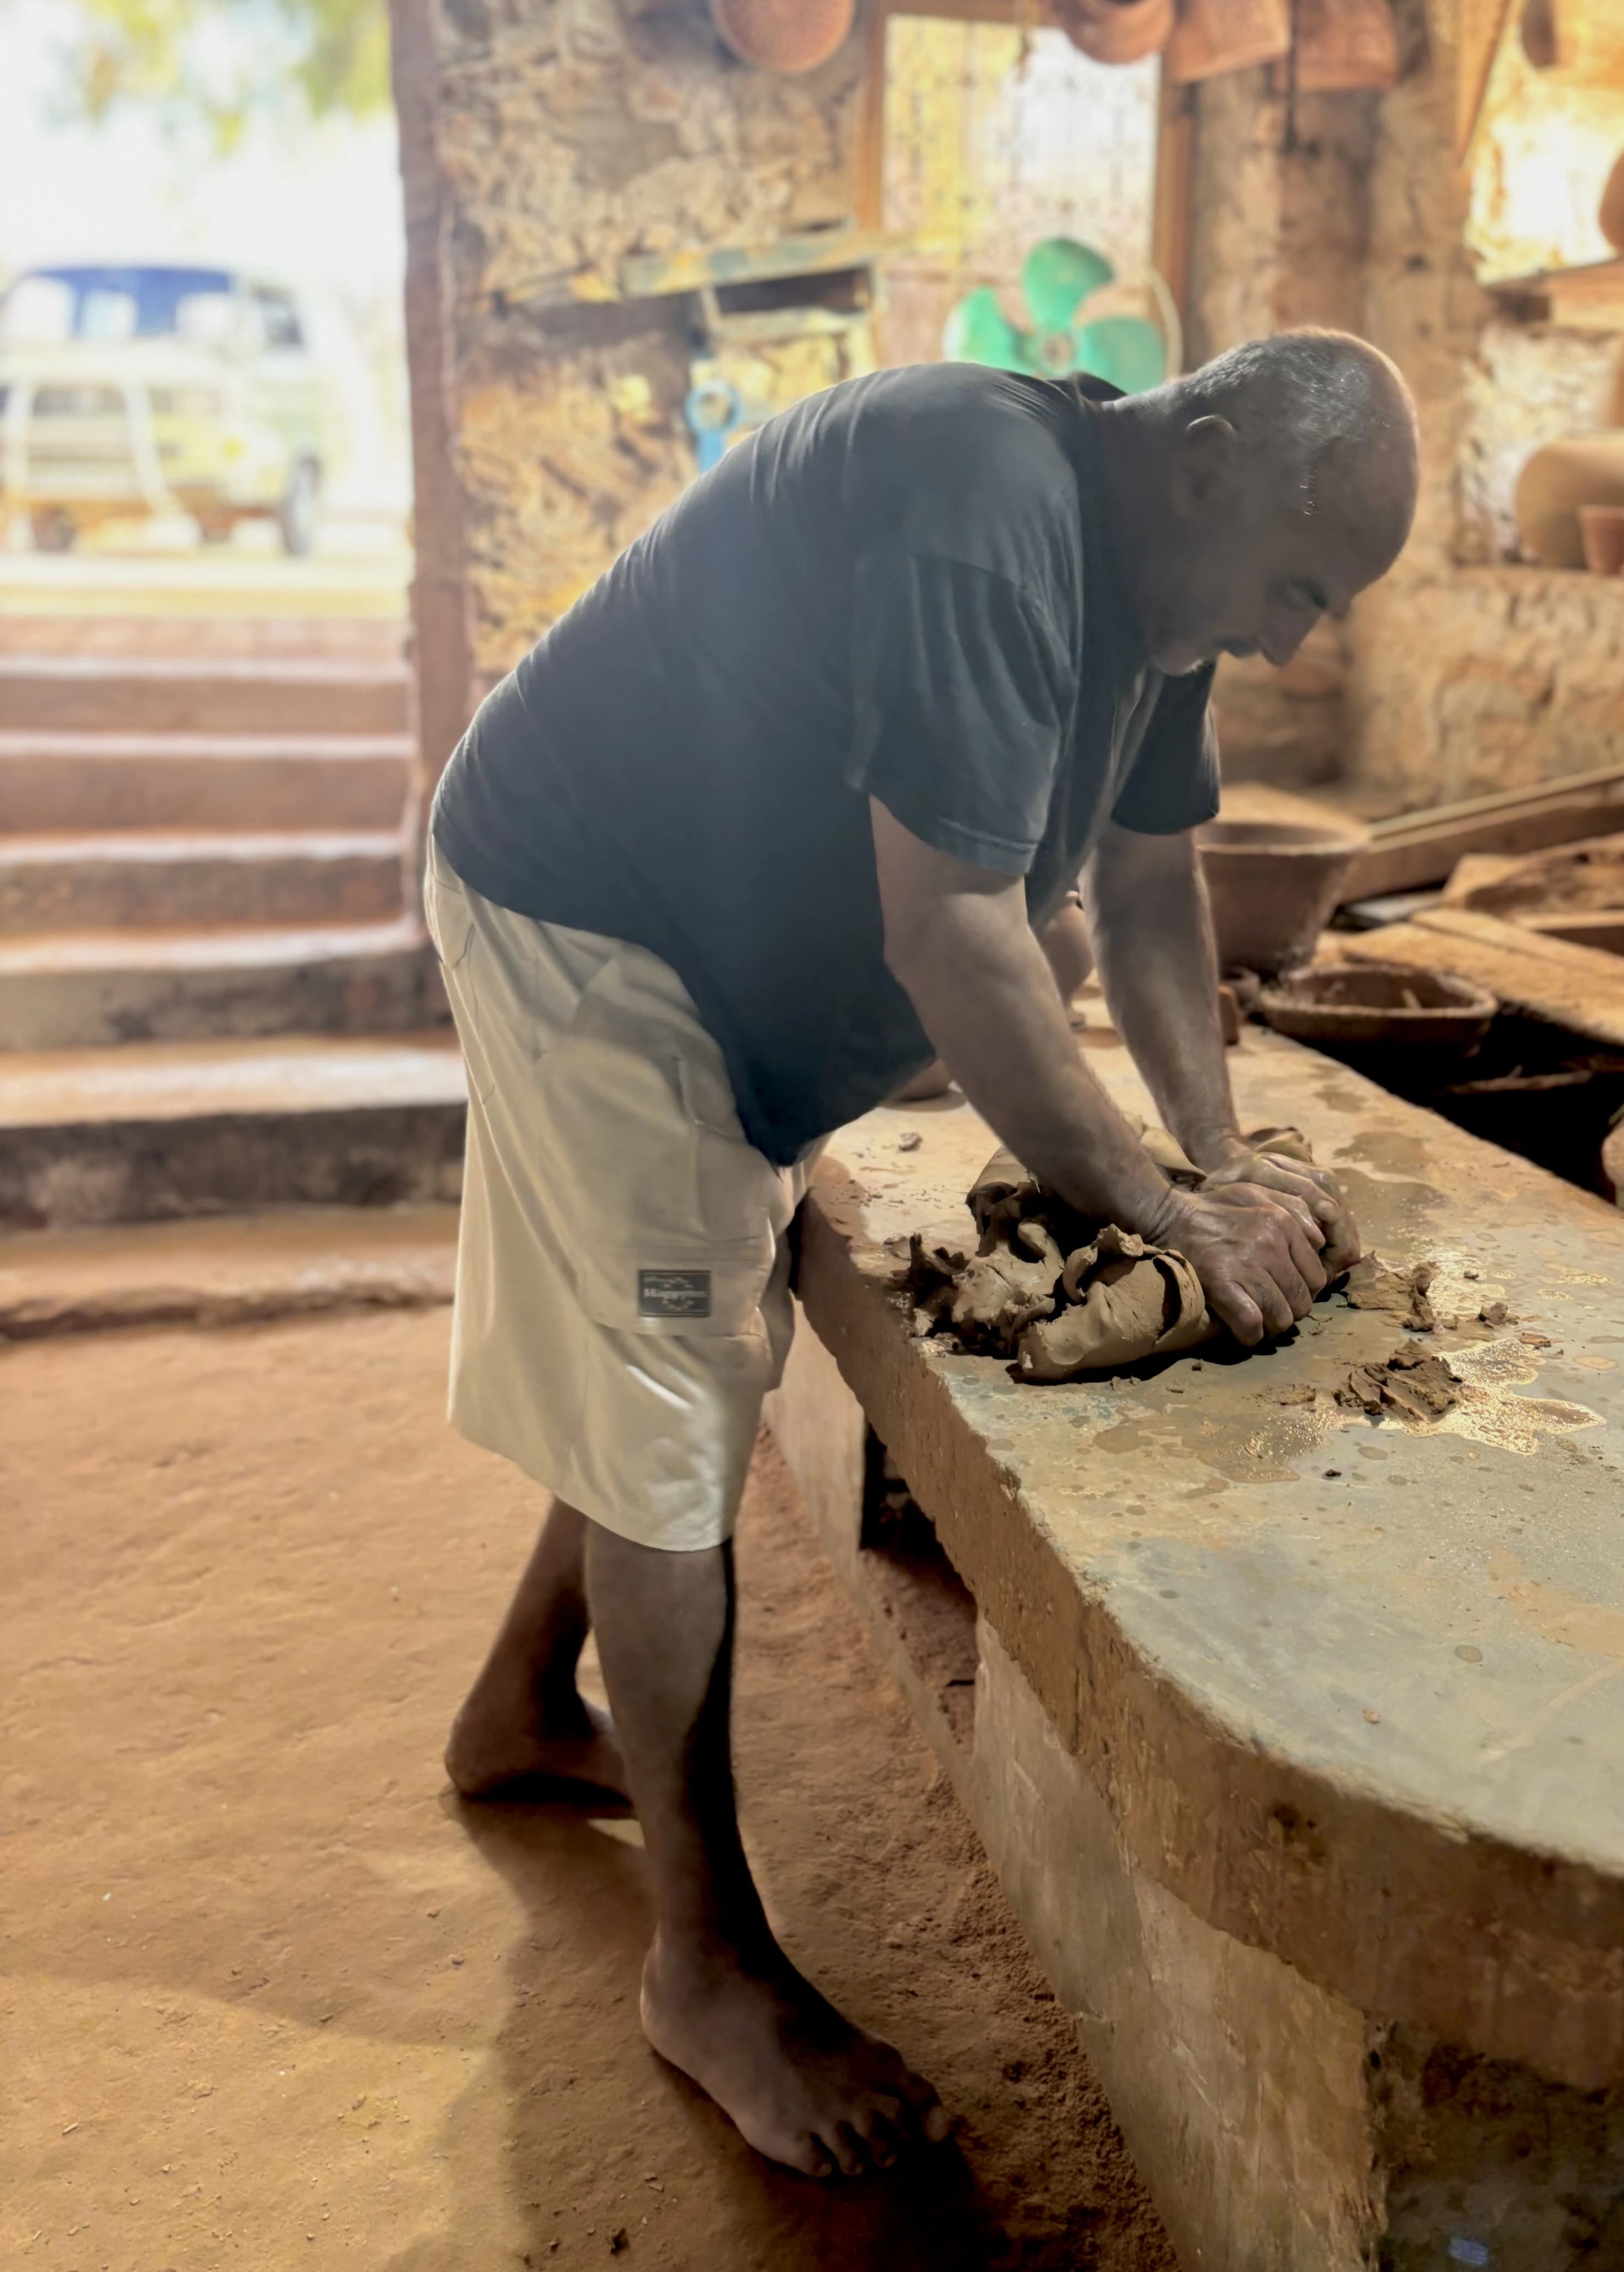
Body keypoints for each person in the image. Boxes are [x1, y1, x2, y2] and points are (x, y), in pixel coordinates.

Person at [426, 328, 1419, 2179]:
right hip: (588, 912)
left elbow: (1142, 891)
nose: (1294, 637)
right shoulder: (986, 499)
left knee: (690, 1358)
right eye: (1300, 584)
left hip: (717, 961)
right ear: (1204, 457)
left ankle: (513, 1712)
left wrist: (1226, 1149)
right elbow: (958, 937)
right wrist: (1163, 1211)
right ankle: (706, 1968)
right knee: (671, 1395)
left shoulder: (1163, 587)